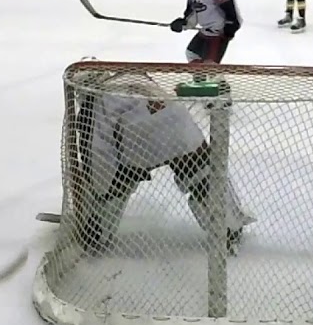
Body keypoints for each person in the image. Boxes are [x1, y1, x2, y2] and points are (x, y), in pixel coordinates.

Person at [71, 67, 253, 254]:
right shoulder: (132, 75)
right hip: (181, 128)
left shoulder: (97, 98)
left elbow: (100, 150)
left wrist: (101, 189)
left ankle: (98, 234)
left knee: (115, 186)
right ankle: (229, 228)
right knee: (202, 175)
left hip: (140, 142)